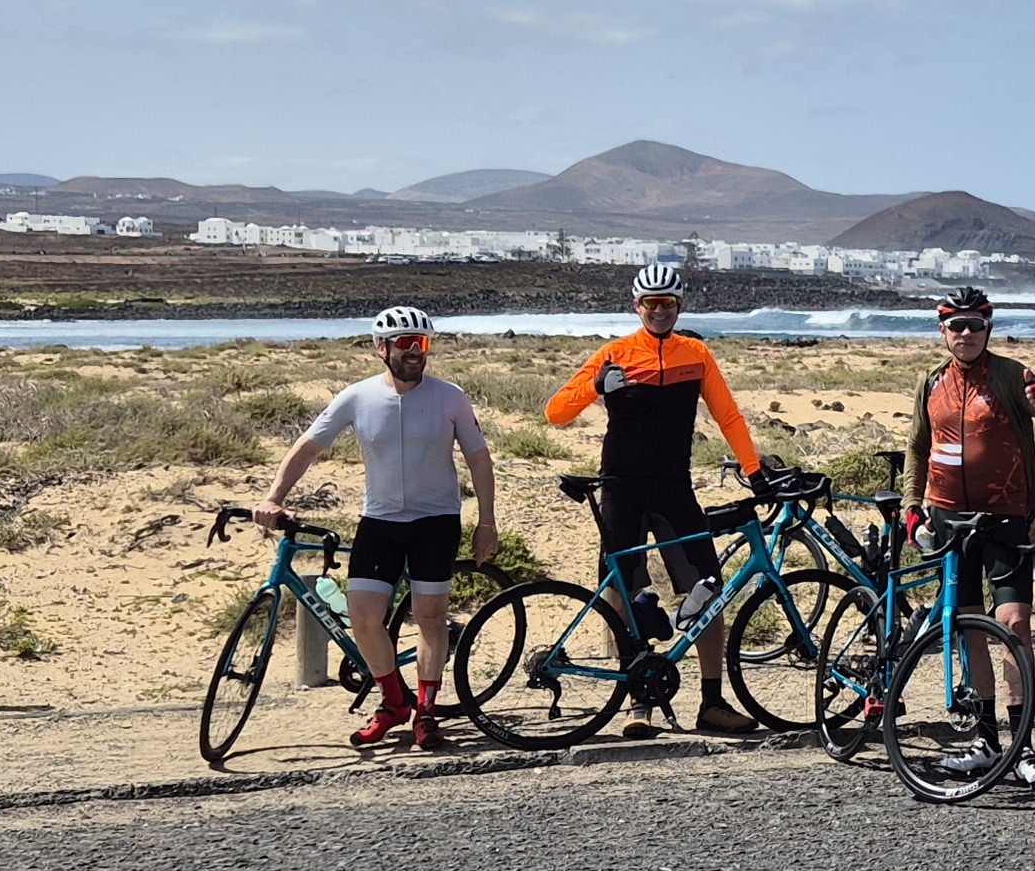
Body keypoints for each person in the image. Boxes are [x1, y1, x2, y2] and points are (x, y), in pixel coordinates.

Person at [543, 260, 768, 736]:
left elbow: (728, 416)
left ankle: (711, 702)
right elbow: (556, 412)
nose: (659, 310)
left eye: (667, 302)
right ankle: (637, 703)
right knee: (621, 594)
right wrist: (595, 386)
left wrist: (753, 469)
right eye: (651, 303)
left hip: (673, 487)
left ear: (680, 305)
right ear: (637, 305)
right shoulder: (615, 354)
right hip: (621, 487)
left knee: (708, 588)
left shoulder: (696, 354)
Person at [257, 306, 493, 753]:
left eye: (422, 342)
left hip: (435, 521)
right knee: (364, 619)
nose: (415, 351)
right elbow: (307, 447)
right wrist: (274, 497)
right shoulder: (357, 396)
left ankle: (426, 711)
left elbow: (479, 459)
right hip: (381, 521)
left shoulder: (450, 397)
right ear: (381, 348)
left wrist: (486, 522)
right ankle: (393, 702)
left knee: (430, 618)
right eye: (405, 343)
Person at [906, 286, 1035, 786]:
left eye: (975, 325)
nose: (966, 333)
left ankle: (1023, 746)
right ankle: (987, 741)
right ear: (942, 331)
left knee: (1014, 625)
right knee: (970, 628)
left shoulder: (1012, 374)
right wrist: (912, 506)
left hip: (1005, 516)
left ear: (988, 328)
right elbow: (917, 445)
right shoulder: (931, 380)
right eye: (956, 325)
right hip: (948, 519)